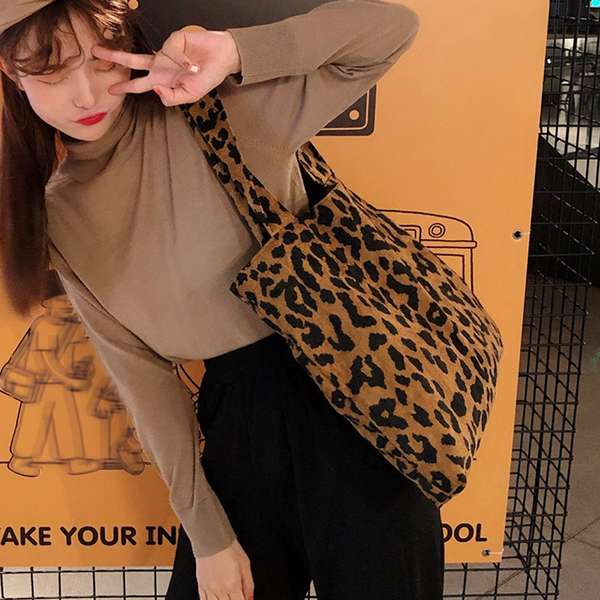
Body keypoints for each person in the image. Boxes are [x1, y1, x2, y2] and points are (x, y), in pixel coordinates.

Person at [0, 1, 443, 599]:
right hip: (237, 423)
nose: (84, 95)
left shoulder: (221, 112)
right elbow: (144, 381)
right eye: (52, 74)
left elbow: (392, 31)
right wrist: (206, 533)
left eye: (100, 63)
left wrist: (234, 52)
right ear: (12, 73)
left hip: (362, 398)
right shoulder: (59, 216)